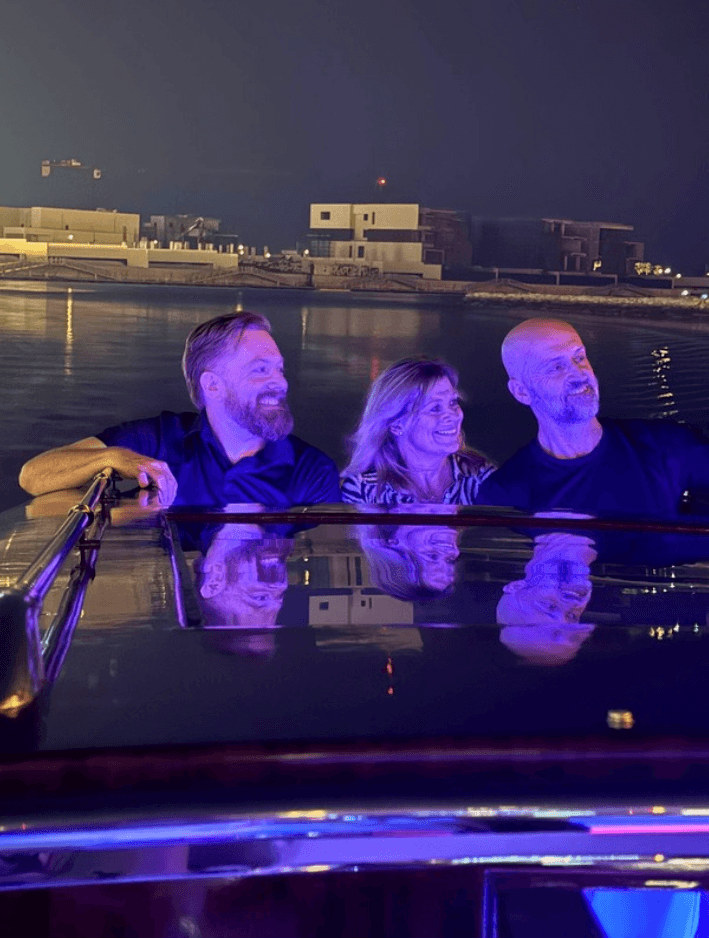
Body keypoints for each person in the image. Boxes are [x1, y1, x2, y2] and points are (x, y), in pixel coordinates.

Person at [19, 311, 342, 507]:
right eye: (260, 370)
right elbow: (33, 475)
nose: (280, 383)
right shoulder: (157, 440)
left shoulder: (311, 470)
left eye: (279, 369)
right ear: (212, 385)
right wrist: (112, 458)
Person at [477, 317, 709, 518]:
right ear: (521, 392)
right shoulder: (505, 492)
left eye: (579, 357)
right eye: (555, 367)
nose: (579, 374)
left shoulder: (670, 446)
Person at [341, 357, 494, 505]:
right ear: (396, 424)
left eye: (453, 402)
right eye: (435, 408)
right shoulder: (364, 489)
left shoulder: (480, 477)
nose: (454, 416)